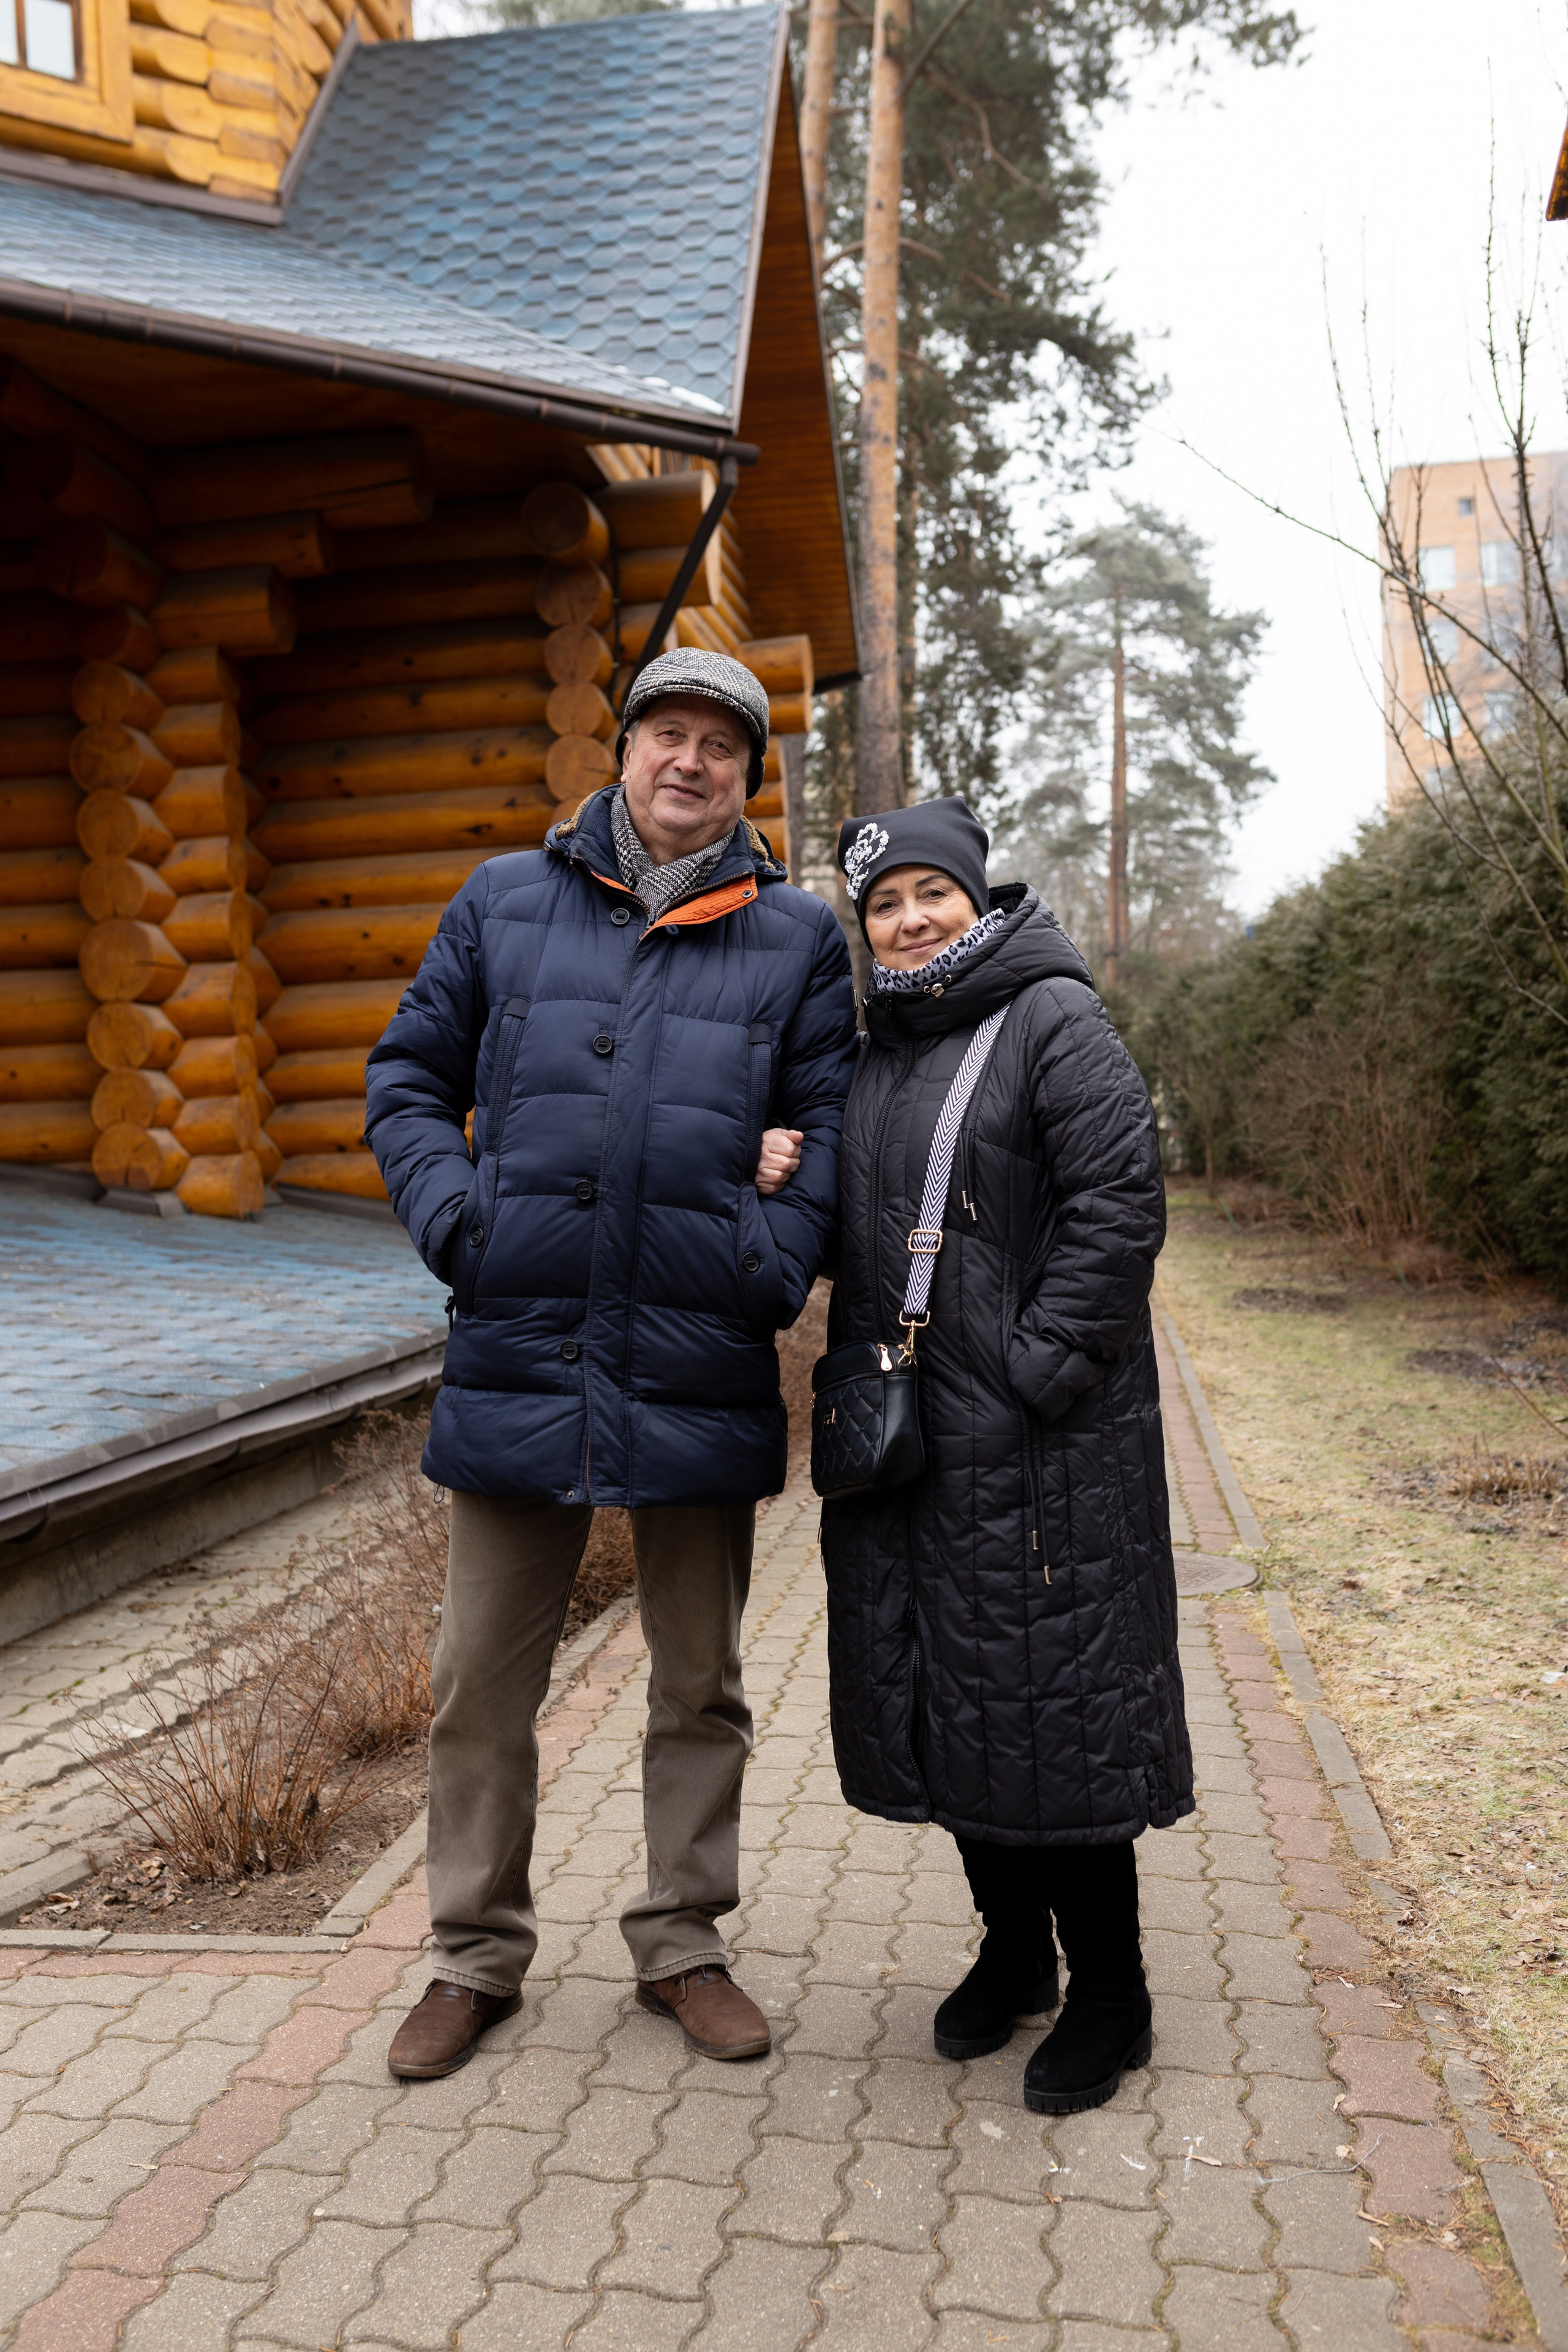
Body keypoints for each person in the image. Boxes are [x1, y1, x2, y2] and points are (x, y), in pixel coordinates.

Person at [364, 648, 857, 2079]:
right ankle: (472, 1957)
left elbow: (827, 1123)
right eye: (667, 733)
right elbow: (404, 1078)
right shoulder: (504, 901)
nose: (689, 760)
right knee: (476, 1687)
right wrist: (463, 1224)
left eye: (719, 743)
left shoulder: (795, 936)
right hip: (522, 1338)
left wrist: (767, 1260)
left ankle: (683, 1943)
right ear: (623, 749)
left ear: (744, 779)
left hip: (699, 1342)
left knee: (697, 1680)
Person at [820, 797, 1191, 2116]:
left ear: (975, 898)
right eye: (882, 904)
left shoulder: (1050, 1018)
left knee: (1058, 1713)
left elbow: (1118, 1201)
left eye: (931, 892)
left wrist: (1036, 1367)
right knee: (948, 1701)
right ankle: (1008, 1953)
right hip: (911, 1448)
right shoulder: (870, 1053)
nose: (909, 918)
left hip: (1043, 1450)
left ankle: (1110, 1993)